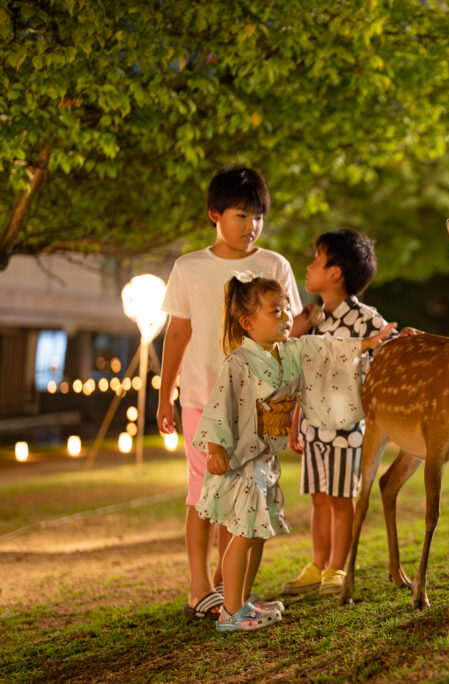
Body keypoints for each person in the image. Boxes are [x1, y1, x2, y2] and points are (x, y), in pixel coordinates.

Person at [194, 273, 396, 632]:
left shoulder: (291, 351)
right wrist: (214, 447)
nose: (287, 315)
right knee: (244, 535)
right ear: (247, 322)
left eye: (287, 307)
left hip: (264, 462)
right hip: (241, 463)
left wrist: (367, 343)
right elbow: (217, 409)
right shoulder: (237, 363)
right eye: (276, 310)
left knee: (257, 534)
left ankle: (242, 599)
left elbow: (329, 349)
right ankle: (231, 611)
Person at [156, 167, 303, 622]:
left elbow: (289, 333)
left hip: (260, 405)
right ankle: (200, 589)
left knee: (248, 497)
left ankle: (231, 593)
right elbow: (178, 334)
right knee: (204, 493)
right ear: (214, 214)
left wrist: (293, 401)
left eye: (257, 216)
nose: (251, 225)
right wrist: (165, 397)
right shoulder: (189, 268)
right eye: (241, 214)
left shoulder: (275, 265)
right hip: (202, 400)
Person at [282, 229, 394, 596]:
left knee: (341, 500)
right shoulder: (315, 320)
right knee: (318, 498)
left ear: (335, 274)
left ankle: (336, 568)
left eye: (317, 259)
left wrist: (401, 340)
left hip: (347, 428)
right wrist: (297, 419)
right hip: (313, 427)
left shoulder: (366, 320)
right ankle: (317, 563)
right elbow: (303, 371)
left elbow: (388, 353)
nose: (309, 266)